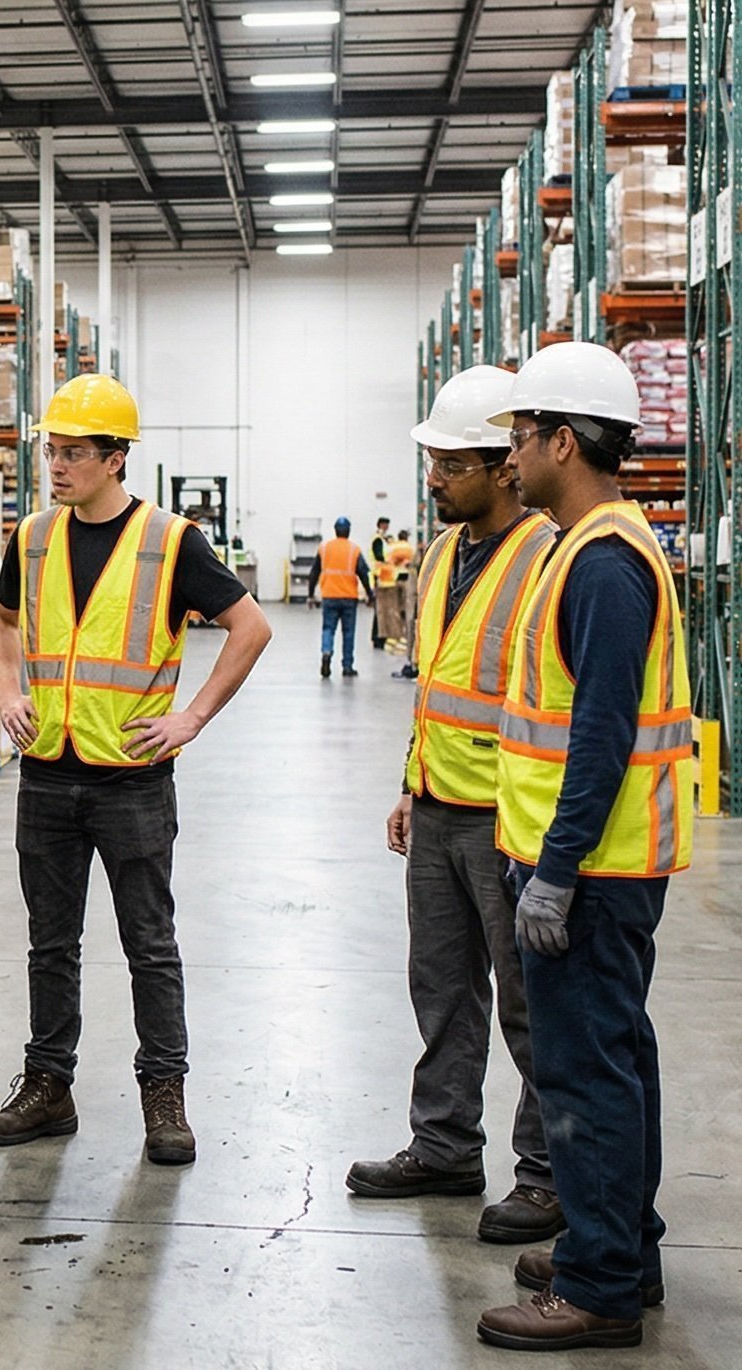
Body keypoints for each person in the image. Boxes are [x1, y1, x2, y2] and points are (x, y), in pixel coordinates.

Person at [0, 375, 271, 1163]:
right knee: (49, 944)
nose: (56, 465)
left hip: (132, 778)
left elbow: (250, 627)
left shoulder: (171, 542)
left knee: (150, 945)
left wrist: (191, 718)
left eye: (74, 453)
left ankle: (164, 1095)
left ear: (115, 459)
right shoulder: (33, 537)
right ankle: (48, 1085)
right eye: (52, 450)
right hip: (47, 772)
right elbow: (0, 618)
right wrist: (7, 689)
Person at [475, 342, 694, 1352]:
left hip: (593, 873)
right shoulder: (589, 544)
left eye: (522, 436)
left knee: (584, 1074)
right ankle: (623, 1250)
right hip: (601, 865)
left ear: (565, 441)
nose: (511, 456)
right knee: (619, 1060)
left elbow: (600, 737)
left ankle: (599, 1286)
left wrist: (554, 875)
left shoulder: (603, 563)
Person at [346, 365, 563, 1246]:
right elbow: (436, 685)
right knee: (440, 989)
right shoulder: (437, 556)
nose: (433, 478)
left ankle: (547, 1176)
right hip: (438, 808)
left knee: (530, 1006)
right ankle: (444, 1146)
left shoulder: (549, 557)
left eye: (451, 464)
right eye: (431, 461)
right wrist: (411, 781)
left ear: (506, 467)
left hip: (511, 820)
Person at [309, 516, 372, 677]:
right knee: (348, 632)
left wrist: (310, 594)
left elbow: (314, 572)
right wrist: (370, 594)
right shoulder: (354, 549)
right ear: (348, 531)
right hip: (349, 597)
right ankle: (347, 666)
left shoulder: (324, 548)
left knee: (328, 628)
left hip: (329, 596)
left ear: (335, 530)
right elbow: (363, 573)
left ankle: (326, 652)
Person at [371, 516, 394, 648]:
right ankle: (378, 637)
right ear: (380, 525)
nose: (386, 527)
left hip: (384, 578)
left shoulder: (383, 539)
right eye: (385, 524)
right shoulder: (378, 540)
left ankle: (379, 636)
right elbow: (380, 556)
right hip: (380, 577)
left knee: (382, 609)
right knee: (380, 610)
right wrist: (392, 559)